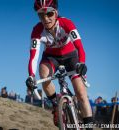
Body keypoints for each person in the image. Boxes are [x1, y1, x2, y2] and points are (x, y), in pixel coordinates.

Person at [26, 0, 93, 128]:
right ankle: (57, 106)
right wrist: (31, 76)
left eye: (49, 14)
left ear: (56, 13)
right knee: (43, 74)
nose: (46, 19)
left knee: (81, 93)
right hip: (51, 57)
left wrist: (82, 63)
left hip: (70, 56)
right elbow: (33, 56)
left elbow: (80, 47)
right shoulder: (37, 30)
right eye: (41, 15)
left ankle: (89, 125)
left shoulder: (66, 23)